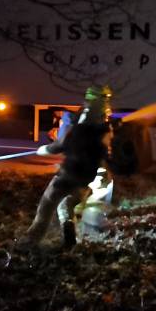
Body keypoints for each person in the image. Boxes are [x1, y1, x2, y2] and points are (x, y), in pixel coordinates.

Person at [23, 85, 113, 247]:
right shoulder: (105, 131)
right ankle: (69, 240)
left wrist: (42, 150)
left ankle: (30, 241)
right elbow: (102, 154)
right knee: (66, 206)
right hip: (84, 180)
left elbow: (59, 146)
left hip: (66, 177)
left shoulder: (80, 129)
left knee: (47, 205)